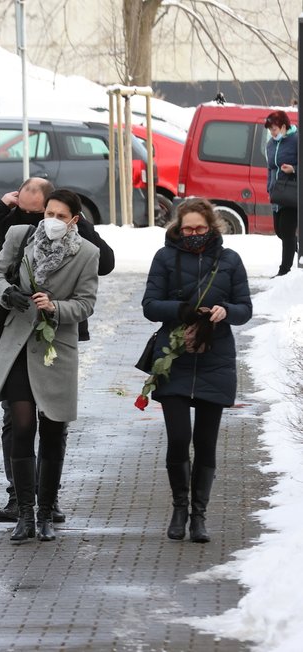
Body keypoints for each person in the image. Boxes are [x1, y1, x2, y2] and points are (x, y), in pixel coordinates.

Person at [0, 177, 115, 526]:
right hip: (14, 334)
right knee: (17, 419)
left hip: (54, 338)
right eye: (42, 213)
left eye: (55, 214)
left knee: (53, 420)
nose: (46, 220)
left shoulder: (81, 241)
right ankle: (20, 499)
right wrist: (0, 208)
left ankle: (48, 499)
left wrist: (56, 307)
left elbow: (103, 267)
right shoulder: (15, 229)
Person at [141, 198, 252, 543]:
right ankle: (179, 507)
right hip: (173, 360)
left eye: (199, 229)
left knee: (205, 443)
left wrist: (225, 312)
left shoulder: (230, 260)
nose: (193, 235)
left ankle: (199, 516)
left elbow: (245, 307)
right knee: (178, 439)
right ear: (178, 227)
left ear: (211, 227)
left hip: (214, 359)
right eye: (187, 229)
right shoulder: (164, 257)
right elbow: (149, 305)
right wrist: (183, 309)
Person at [264, 109, 299, 277]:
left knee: (286, 230)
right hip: (277, 194)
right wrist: (268, 188)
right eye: (270, 130)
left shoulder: (296, 140)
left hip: (292, 194)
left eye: (274, 129)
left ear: (284, 127)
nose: (272, 133)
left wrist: (294, 169)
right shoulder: (270, 144)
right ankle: (294, 245)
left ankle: (284, 271)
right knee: (279, 231)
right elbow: (270, 169)